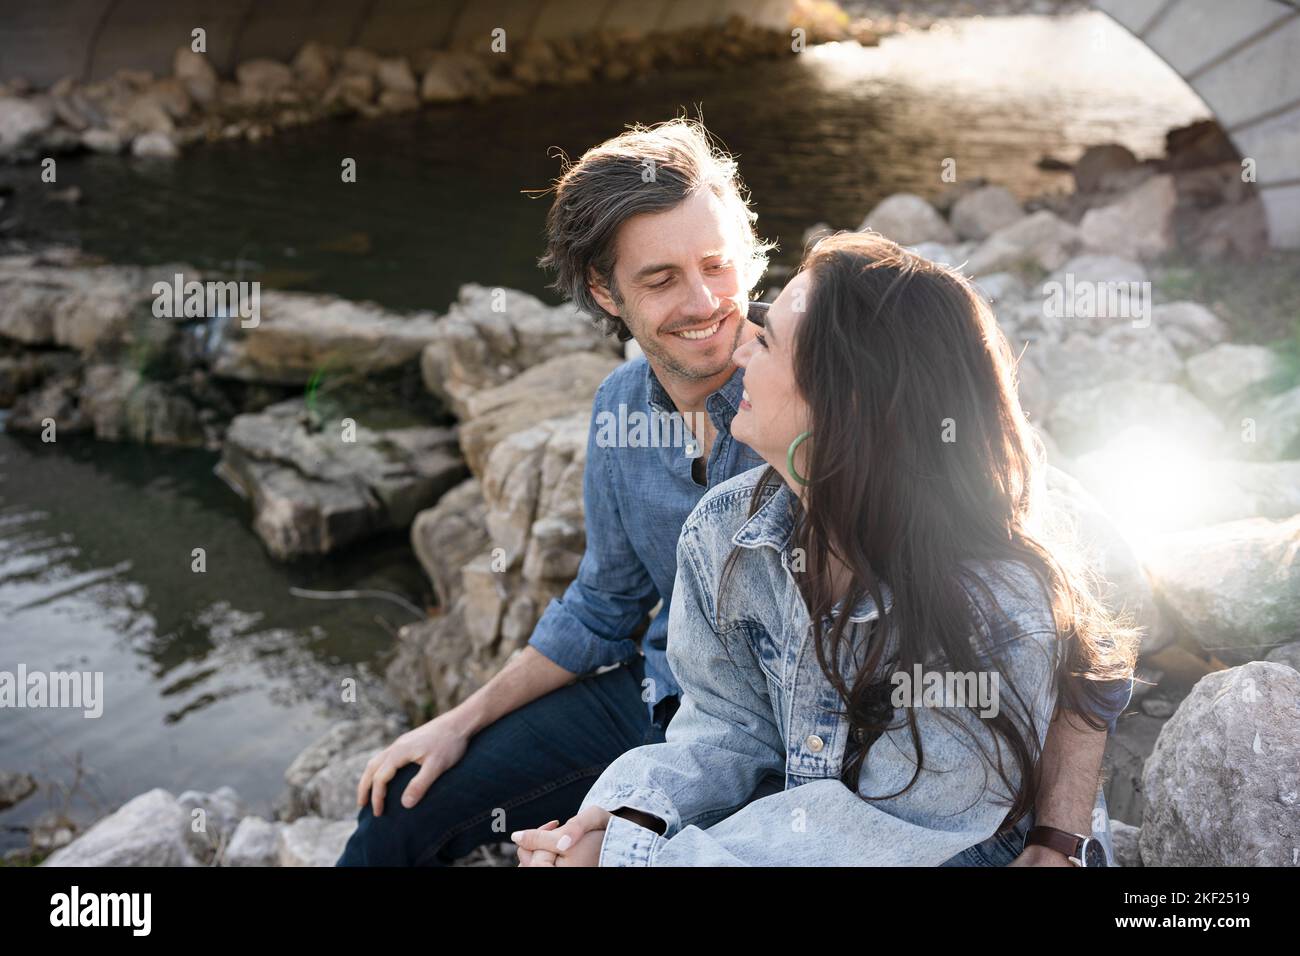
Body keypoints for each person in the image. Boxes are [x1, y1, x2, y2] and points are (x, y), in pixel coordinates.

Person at [337, 119, 1132, 868]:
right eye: (660, 278)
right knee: (399, 812)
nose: (710, 306)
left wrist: (1059, 837)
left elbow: (1080, 606)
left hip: (807, 755)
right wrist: (462, 721)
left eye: (719, 265)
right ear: (607, 293)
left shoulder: (855, 376)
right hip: (679, 716)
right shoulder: (628, 413)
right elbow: (604, 606)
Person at [511, 229, 1140, 866]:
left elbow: (881, 831)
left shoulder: (987, 605)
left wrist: (634, 862)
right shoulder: (723, 531)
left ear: (844, 400)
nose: (739, 347)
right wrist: (620, 819)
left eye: (770, 340)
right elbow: (725, 725)